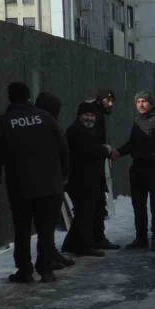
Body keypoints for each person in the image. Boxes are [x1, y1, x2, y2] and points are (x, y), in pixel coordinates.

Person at [0, 82, 69, 283]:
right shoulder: (46, 118)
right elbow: (63, 148)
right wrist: (64, 174)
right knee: (45, 229)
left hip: (20, 186)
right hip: (50, 185)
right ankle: (46, 269)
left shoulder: (5, 122)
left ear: (10, 97)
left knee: (22, 230)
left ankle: (24, 270)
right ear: (29, 96)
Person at [116, 91, 155, 251]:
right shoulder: (137, 121)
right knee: (138, 206)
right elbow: (132, 144)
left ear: (151, 103)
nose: (141, 104)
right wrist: (118, 152)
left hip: (153, 170)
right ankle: (141, 238)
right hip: (137, 169)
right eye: (138, 102)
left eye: (144, 101)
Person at [61, 102, 114, 257]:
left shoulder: (88, 131)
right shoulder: (75, 131)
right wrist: (106, 150)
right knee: (84, 214)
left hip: (90, 179)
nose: (89, 118)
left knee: (86, 213)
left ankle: (72, 244)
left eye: (92, 115)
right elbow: (87, 150)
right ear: (79, 116)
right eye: (86, 115)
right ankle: (83, 245)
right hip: (80, 180)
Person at [34, 92, 76, 269]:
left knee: (44, 225)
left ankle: (48, 255)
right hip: (50, 181)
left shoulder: (35, 123)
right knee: (46, 224)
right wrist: (65, 175)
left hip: (32, 181)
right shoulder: (50, 124)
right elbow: (63, 151)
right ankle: (46, 259)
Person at [86, 89, 120, 249]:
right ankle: (96, 239)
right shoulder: (94, 115)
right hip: (91, 167)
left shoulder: (95, 113)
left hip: (94, 165)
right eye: (108, 100)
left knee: (96, 204)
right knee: (96, 205)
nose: (111, 104)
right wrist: (106, 150)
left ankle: (94, 238)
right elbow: (91, 144)